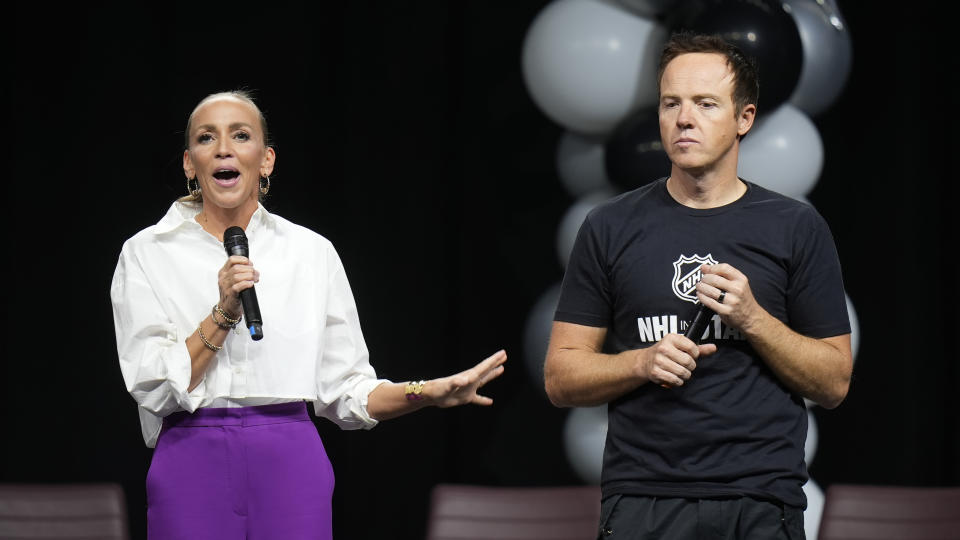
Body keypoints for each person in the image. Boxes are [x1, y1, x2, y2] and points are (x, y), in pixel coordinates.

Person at [110, 90, 507, 540]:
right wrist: (223, 313)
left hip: (290, 461)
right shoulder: (147, 252)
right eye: (206, 137)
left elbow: (348, 393)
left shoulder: (310, 252)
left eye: (240, 135)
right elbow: (154, 385)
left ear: (266, 160)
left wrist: (428, 392)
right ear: (189, 163)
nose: (223, 148)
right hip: (189, 456)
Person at [544, 32, 852, 540]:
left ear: (744, 119)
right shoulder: (609, 226)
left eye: (706, 104)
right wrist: (640, 362)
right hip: (644, 498)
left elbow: (834, 383)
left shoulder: (795, 227)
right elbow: (560, 376)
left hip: (759, 499)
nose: (684, 118)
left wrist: (753, 319)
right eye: (671, 103)